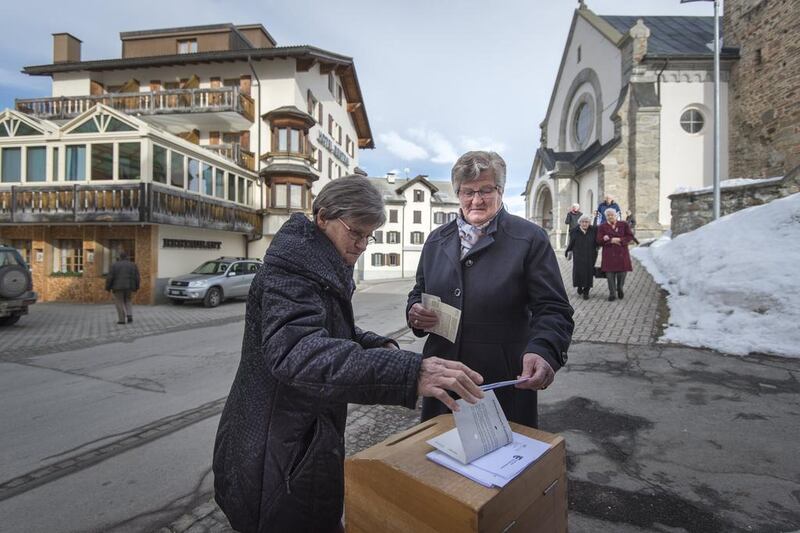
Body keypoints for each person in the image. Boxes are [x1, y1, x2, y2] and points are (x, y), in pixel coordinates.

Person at [213, 175, 485, 533]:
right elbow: (297, 352)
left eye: (368, 236)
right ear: (323, 217)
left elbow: (325, 330)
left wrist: (376, 345)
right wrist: (408, 372)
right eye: (356, 232)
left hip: (296, 444)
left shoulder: (316, 263)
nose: (362, 245)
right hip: (277, 453)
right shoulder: (293, 272)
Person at [406, 151, 574, 429]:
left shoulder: (529, 239)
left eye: (486, 190)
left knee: (501, 466)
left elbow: (553, 309)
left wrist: (543, 350)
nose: (476, 200)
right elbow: (419, 290)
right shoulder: (436, 240)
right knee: (438, 464)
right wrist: (414, 311)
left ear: (501, 190)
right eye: (467, 191)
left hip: (501, 380)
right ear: (457, 193)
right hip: (444, 377)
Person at [597, 208, 634, 301]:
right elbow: (598, 240)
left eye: (612, 215)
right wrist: (611, 240)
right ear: (606, 217)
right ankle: (612, 293)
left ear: (616, 215)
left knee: (622, 273)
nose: (610, 217)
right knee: (610, 275)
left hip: (622, 253)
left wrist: (620, 240)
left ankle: (620, 287)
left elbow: (630, 236)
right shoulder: (602, 227)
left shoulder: (624, 224)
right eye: (608, 215)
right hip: (609, 254)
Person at [565, 214, 598, 300]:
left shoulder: (593, 230)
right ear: (580, 223)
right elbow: (571, 243)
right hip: (578, 255)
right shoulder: (574, 231)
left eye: (586, 222)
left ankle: (586, 291)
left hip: (590, 255)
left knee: (589, 273)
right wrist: (568, 251)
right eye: (583, 222)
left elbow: (597, 241)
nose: (584, 224)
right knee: (579, 272)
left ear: (589, 223)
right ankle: (579, 286)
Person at [105, 251, 140, 325]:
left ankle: (122, 319)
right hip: (129, 286)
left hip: (117, 287)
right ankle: (129, 315)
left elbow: (110, 277)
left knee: (119, 302)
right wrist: (137, 286)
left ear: (120, 257)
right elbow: (137, 277)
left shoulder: (114, 265)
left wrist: (107, 287)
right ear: (127, 257)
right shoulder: (133, 265)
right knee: (128, 300)